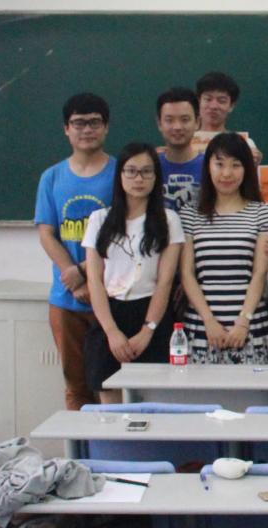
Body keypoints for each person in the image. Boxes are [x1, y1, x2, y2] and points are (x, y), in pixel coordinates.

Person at [82, 143, 183, 403]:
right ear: (120, 175)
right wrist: (111, 332)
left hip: (151, 314)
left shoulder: (169, 220)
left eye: (147, 172)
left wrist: (148, 330)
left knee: (152, 406)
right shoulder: (99, 219)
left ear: (156, 177)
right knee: (111, 409)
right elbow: (94, 280)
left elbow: (165, 282)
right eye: (131, 171)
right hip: (109, 315)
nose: (139, 179)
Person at [35, 93, 116, 410]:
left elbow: (122, 233)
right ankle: (79, 444)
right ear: (66, 129)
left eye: (94, 122)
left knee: (111, 385)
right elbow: (47, 233)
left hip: (112, 295)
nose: (87, 129)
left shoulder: (121, 173)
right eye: (79, 123)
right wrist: (72, 276)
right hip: (66, 298)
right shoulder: (52, 177)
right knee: (76, 386)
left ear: (106, 127)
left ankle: (111, 442)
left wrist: (85, 274)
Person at [179, 133, 268, 364]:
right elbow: (186, 273)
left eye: (236, 165)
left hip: (251, 327)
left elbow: (259, 272)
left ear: (247, 169)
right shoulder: (190, 213)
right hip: (202, 327)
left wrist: (243, 321)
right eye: (219, 164)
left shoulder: (262, 212)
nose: (226, 173)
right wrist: (209, 320)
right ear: (208, 167)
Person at [195, 72, 262, 164]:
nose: (213, 106)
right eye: (208, 99)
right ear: (199, 101)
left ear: (231, 106)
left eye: (221, 101)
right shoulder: (184, 142)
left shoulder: (245, 144)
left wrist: (253, 165)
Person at [156, 87, 203, 212]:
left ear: (197, 122)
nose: (177, 127)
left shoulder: (211, 166)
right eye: (169, 120)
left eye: (185, 120)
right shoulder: (150, 166)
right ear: (159, 123)